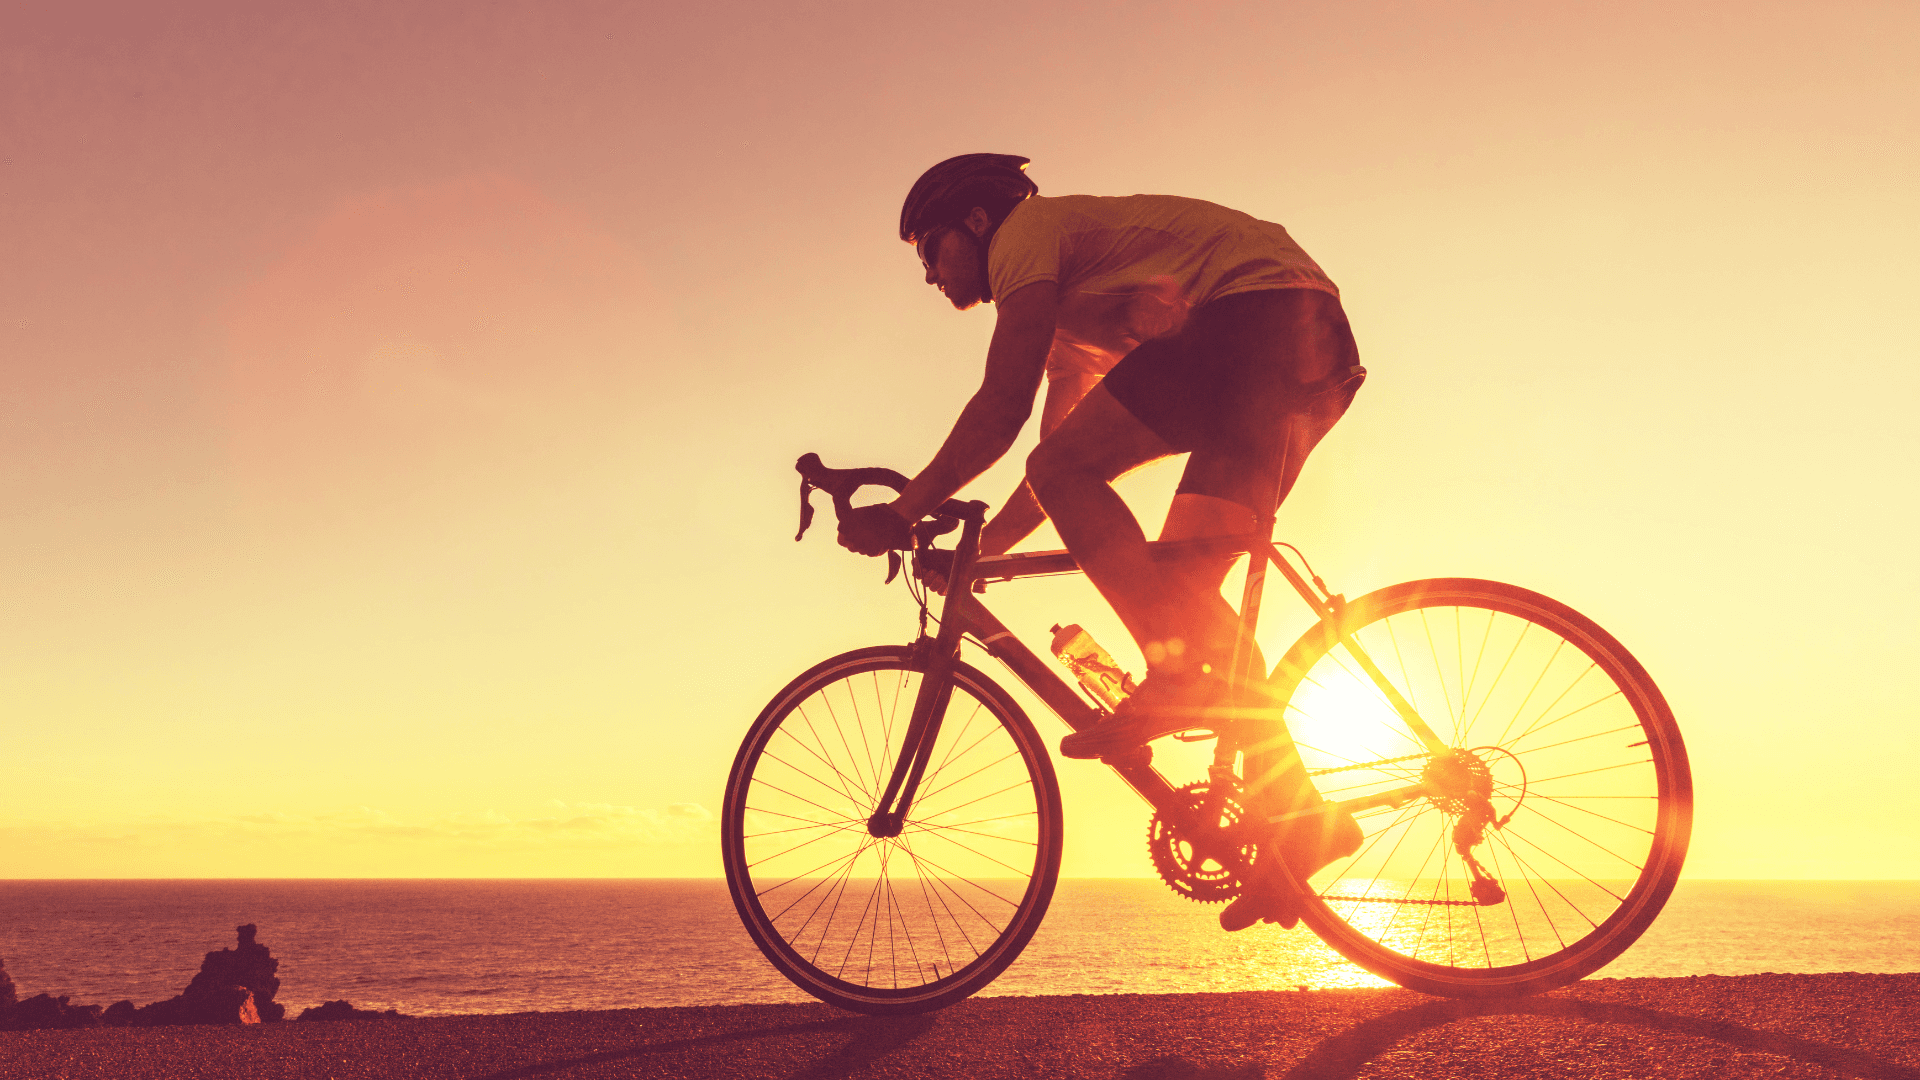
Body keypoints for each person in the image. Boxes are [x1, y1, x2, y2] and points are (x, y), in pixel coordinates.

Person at [836, 154, 1363, 930]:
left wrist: (908, 508)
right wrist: (985, 556)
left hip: (1257, 315)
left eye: (929, 249)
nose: (927, 274)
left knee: (1173, 630)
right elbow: (1052, 469)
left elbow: (1003, 408)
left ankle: (1171, 677)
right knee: (1187, 603)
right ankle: (1305, 822)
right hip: (1304, 342)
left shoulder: (1027, 237)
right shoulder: (1068, 319)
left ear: (978, 223)